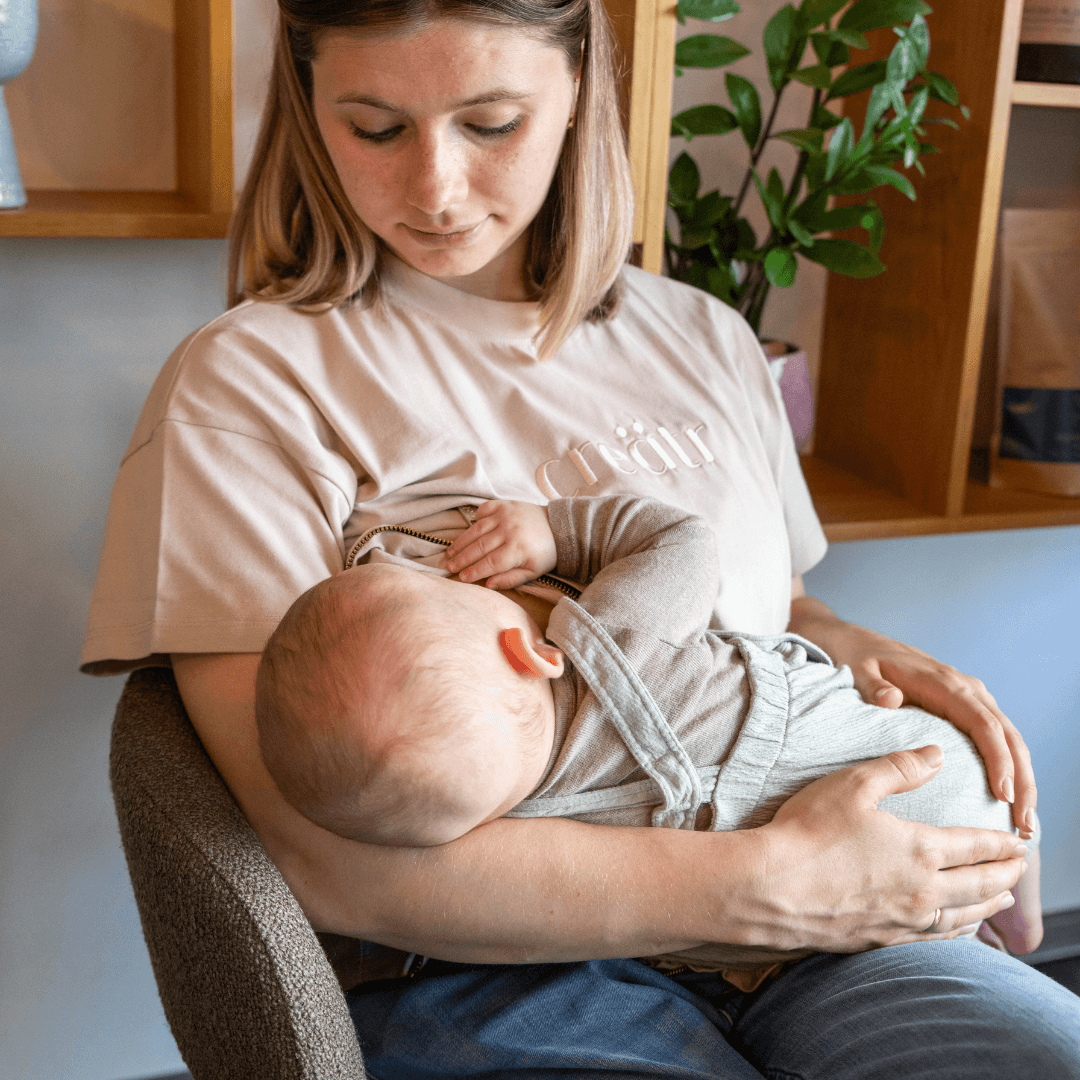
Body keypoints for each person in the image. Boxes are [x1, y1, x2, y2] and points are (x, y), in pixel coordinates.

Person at [80, 0, 1080, 1073]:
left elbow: (778, 606)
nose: (436, 188)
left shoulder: (706, 336)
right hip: (503, 966)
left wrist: (848, 648)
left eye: (493, 123)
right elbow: (328, 861)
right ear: (307, 107)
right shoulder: (249, 383)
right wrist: (780, 887)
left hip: (832, 923)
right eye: (374, 128)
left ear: (577, 97)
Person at [255, 494, 1044, 972]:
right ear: (525, 648)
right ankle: (1019, 902)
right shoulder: (613, 637)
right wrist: (558, 532)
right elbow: (684, 540)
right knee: (1002, 828)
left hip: (872, 919)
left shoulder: (528, 821)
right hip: (935, 767)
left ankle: (993, 908)